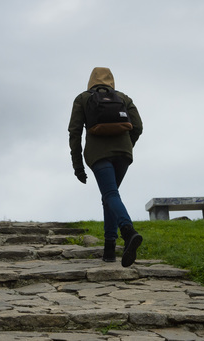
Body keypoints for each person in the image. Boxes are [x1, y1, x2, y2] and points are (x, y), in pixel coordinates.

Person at [68, 67, 144, 267]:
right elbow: (138, 126)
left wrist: (78, 166)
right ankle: (109, 248)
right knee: (110, 196)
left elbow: (74, 133)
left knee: (110, 194)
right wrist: (128, 146)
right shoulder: (123, 98)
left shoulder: (83, 98)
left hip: (98, 154)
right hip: (123, 154)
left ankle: (128, 232)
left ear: (90, 81)